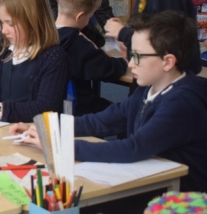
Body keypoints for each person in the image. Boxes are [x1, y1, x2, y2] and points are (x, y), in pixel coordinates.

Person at [12, 11, 207, 192]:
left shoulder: (182, 103)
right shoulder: (148, 89)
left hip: (182, 199)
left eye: (138, 56)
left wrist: (60, 147)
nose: (130, 63)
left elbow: (133, 148)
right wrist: (47, 126)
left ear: (168, 62)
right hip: (151, 184)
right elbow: (103, 121)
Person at [56, 0, 128, 115]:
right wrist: (125, 60)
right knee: (124, 114)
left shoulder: (45, 36)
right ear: (79, 17)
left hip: (55, 107)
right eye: (90, 17)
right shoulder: (77, 43)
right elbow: (109, 70)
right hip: (78, 108)